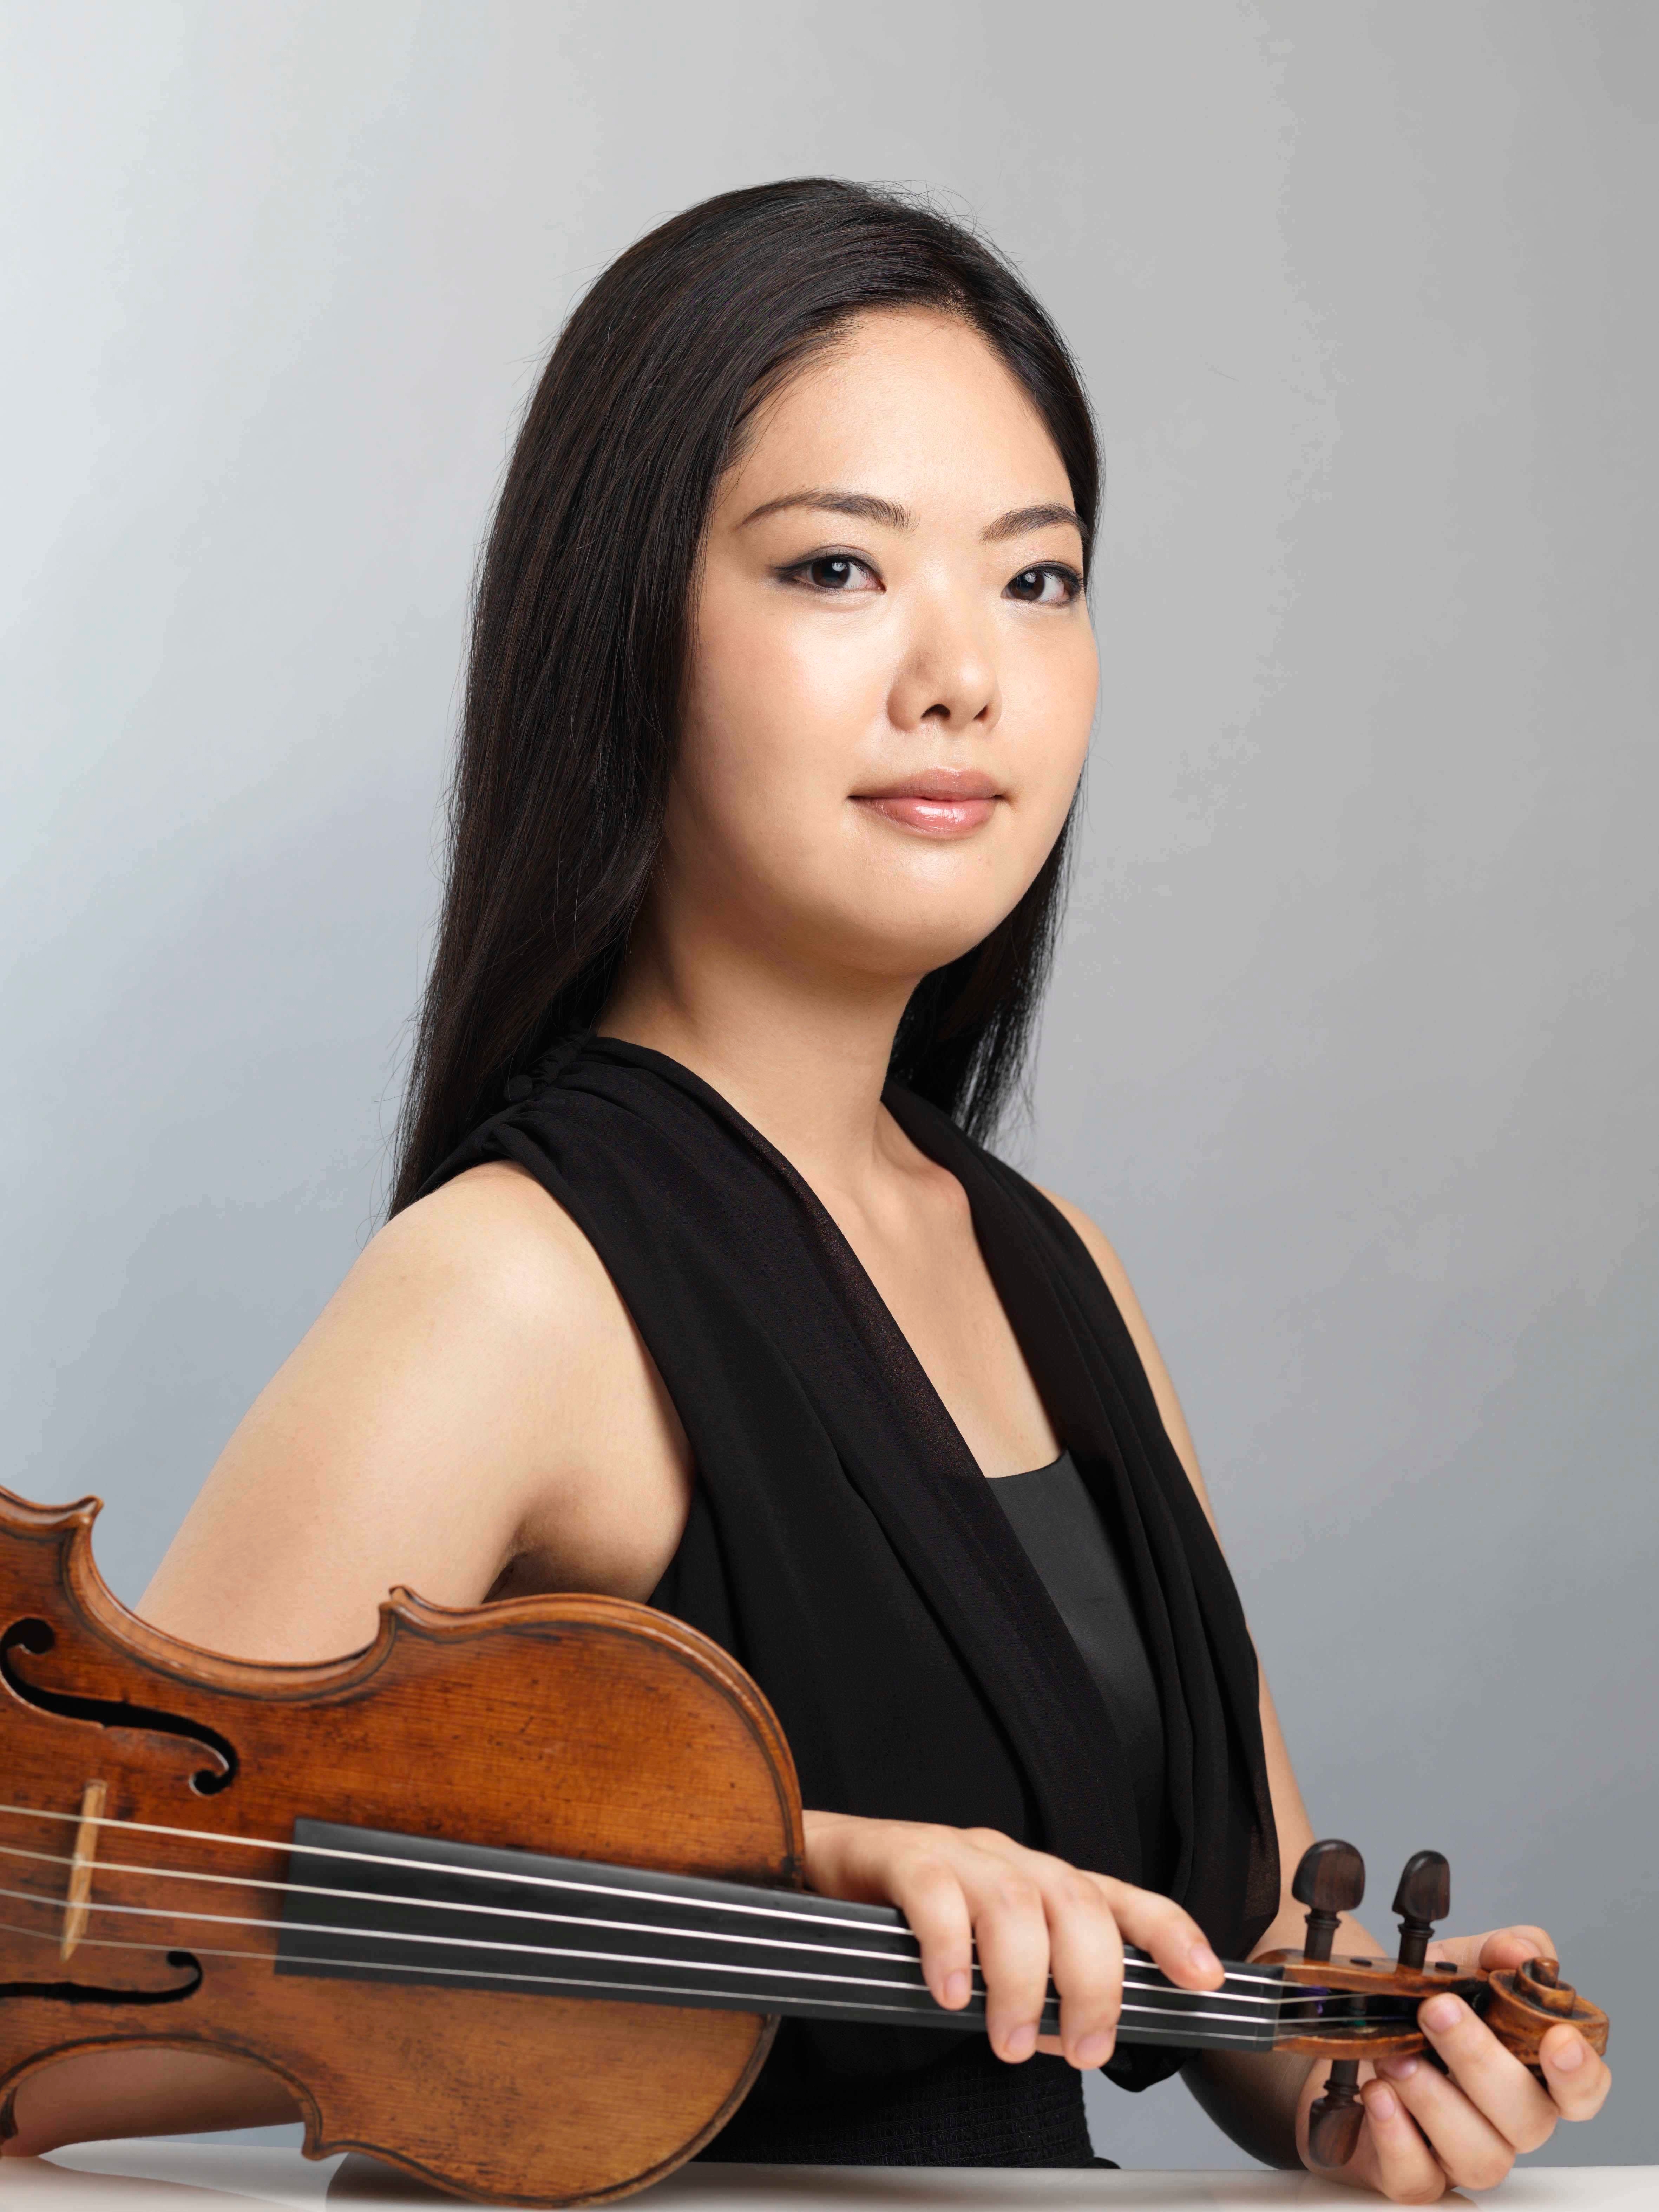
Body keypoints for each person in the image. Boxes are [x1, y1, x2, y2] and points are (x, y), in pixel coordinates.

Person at [2, 180, 1609, 2197]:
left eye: (1036, 579)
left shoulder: (1053, 1273)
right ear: (624, 634)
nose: (963, 675)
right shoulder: (517, 1284)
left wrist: (1367, 2083)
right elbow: (65, 1998)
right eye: (837, 567)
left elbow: (1232, 1957)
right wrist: (781, 1874)